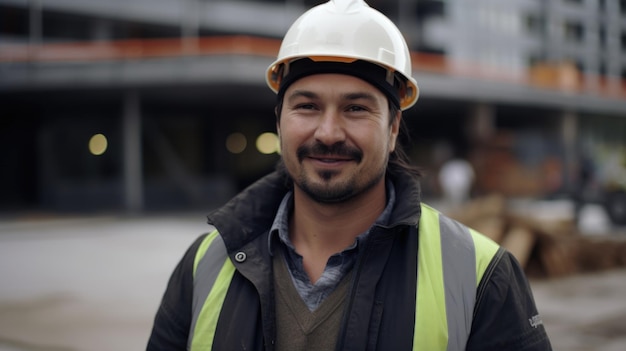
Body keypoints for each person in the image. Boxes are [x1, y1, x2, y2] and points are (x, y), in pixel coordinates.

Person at [147, 0, 552, 350]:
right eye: (306, 106)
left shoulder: (481, 276)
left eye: (356, 108)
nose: (328, 133)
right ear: (279, 121)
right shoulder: (203, 265)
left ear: (393, 129)